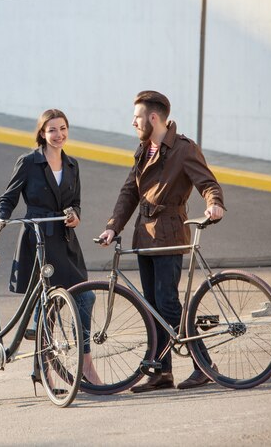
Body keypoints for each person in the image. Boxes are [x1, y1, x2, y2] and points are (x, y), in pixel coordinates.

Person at [98, 90, 225, 391]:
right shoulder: (144, 150)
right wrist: (113, 227)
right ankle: (162, 371)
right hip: (145, 235)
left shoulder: (183, 149)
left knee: (167, 302)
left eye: (137, 117)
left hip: (168, 233)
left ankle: (204, 366)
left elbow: (208, 183)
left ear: (153, 118)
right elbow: (129, 192)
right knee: (152, 304)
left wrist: (215, 202)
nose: (133, 123)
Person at [0, 108, 102, 386]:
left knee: (85, 298)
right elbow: (9, 197)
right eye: (52, 129)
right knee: (45, 304)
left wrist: (74, 215)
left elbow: (76, 203)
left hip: (65, 240)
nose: (58, 134)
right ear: (42, 133)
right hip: (37, 238)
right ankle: (43, 368)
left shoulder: (72, 164)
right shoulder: (28, 162)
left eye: (62, 128)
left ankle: (86, 363)